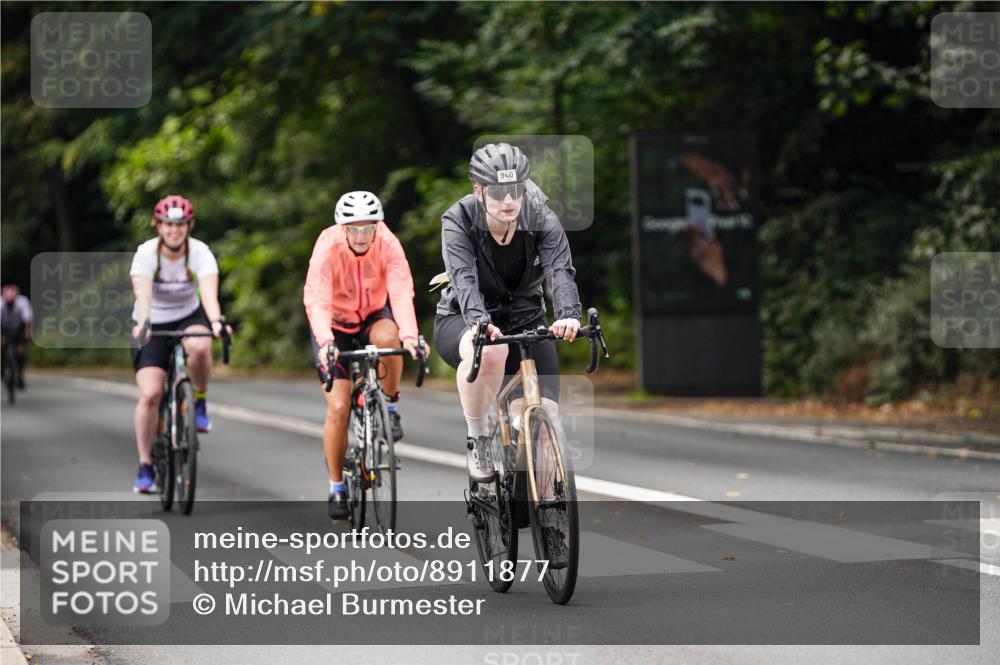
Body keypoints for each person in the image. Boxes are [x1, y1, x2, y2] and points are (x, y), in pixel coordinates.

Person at [433, 143, 582, 483]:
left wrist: (568, 314)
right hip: (464, 318)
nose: (509, 200)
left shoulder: (541, 217)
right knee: (490, 351)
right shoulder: (459, 220)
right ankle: (478, 438)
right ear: (479, 191)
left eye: (516, 190)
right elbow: (464, 279)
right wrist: (479, 323)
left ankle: (546, 509)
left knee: (543, 427)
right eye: (499, 193)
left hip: (525, 319)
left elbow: (560, 270)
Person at [303, 191, 424, 520]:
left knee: (390, 338)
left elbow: (401, 291)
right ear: (342, 228)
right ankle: (336, 487)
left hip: (372, 314)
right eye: (353, 229)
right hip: (334, 325)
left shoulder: (388, 242)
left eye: (368, 228)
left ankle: (390, 405)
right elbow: (317, 299)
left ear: (377, 226)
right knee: (339, 408)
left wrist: (410, 335)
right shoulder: (327, 245)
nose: (361, 235)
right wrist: (326, 342)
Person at [129, 195, 229, 493]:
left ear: (189, 226)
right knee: (150, 394)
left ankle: (199, 400)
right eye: (169, 225)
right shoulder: (146, 254)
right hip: (153, 320)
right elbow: (143, 295)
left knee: (200, 345)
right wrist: (144, 324)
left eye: (181, 225)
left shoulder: (200, 252)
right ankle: (145, 465)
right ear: (158, 226)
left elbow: (209, 294)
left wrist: (216, 322)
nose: (175, 230)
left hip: (188, 315)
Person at [1, 284, 32, 389]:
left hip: (19, 329)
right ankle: (2, 367)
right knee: (1, 346)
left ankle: (20, 374)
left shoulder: (22, 302)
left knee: (21, 351)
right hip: (3, 329)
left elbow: (27, 320)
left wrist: (28, 331)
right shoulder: (0, 303)